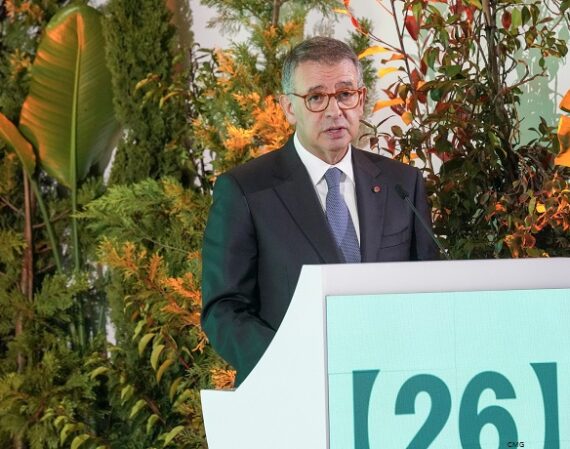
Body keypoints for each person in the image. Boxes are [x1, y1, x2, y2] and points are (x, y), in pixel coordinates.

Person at [201, 36, 439, 386]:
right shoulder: (246, 190)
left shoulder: (401, 183)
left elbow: (428, 291)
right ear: (288, 107)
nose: (334, 111)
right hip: (292, 389)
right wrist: (292, 364)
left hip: (393, 385)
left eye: (345, 94)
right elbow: (223, 309)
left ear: (361, 98)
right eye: (315, 98)